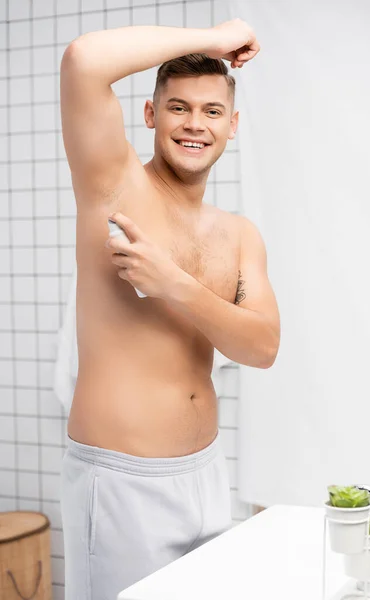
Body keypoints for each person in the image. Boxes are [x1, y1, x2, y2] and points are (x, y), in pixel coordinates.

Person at [59, 17, 280, 600]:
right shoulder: (113, 183)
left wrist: (174, 284)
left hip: (206, 475)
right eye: (178, 107)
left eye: (212, 112)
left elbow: (261, 348)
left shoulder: (238, 234)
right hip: (122, 480)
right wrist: (211, 38)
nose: (194, 125)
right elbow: (84, 59)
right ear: (151, 115)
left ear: (232, 126)